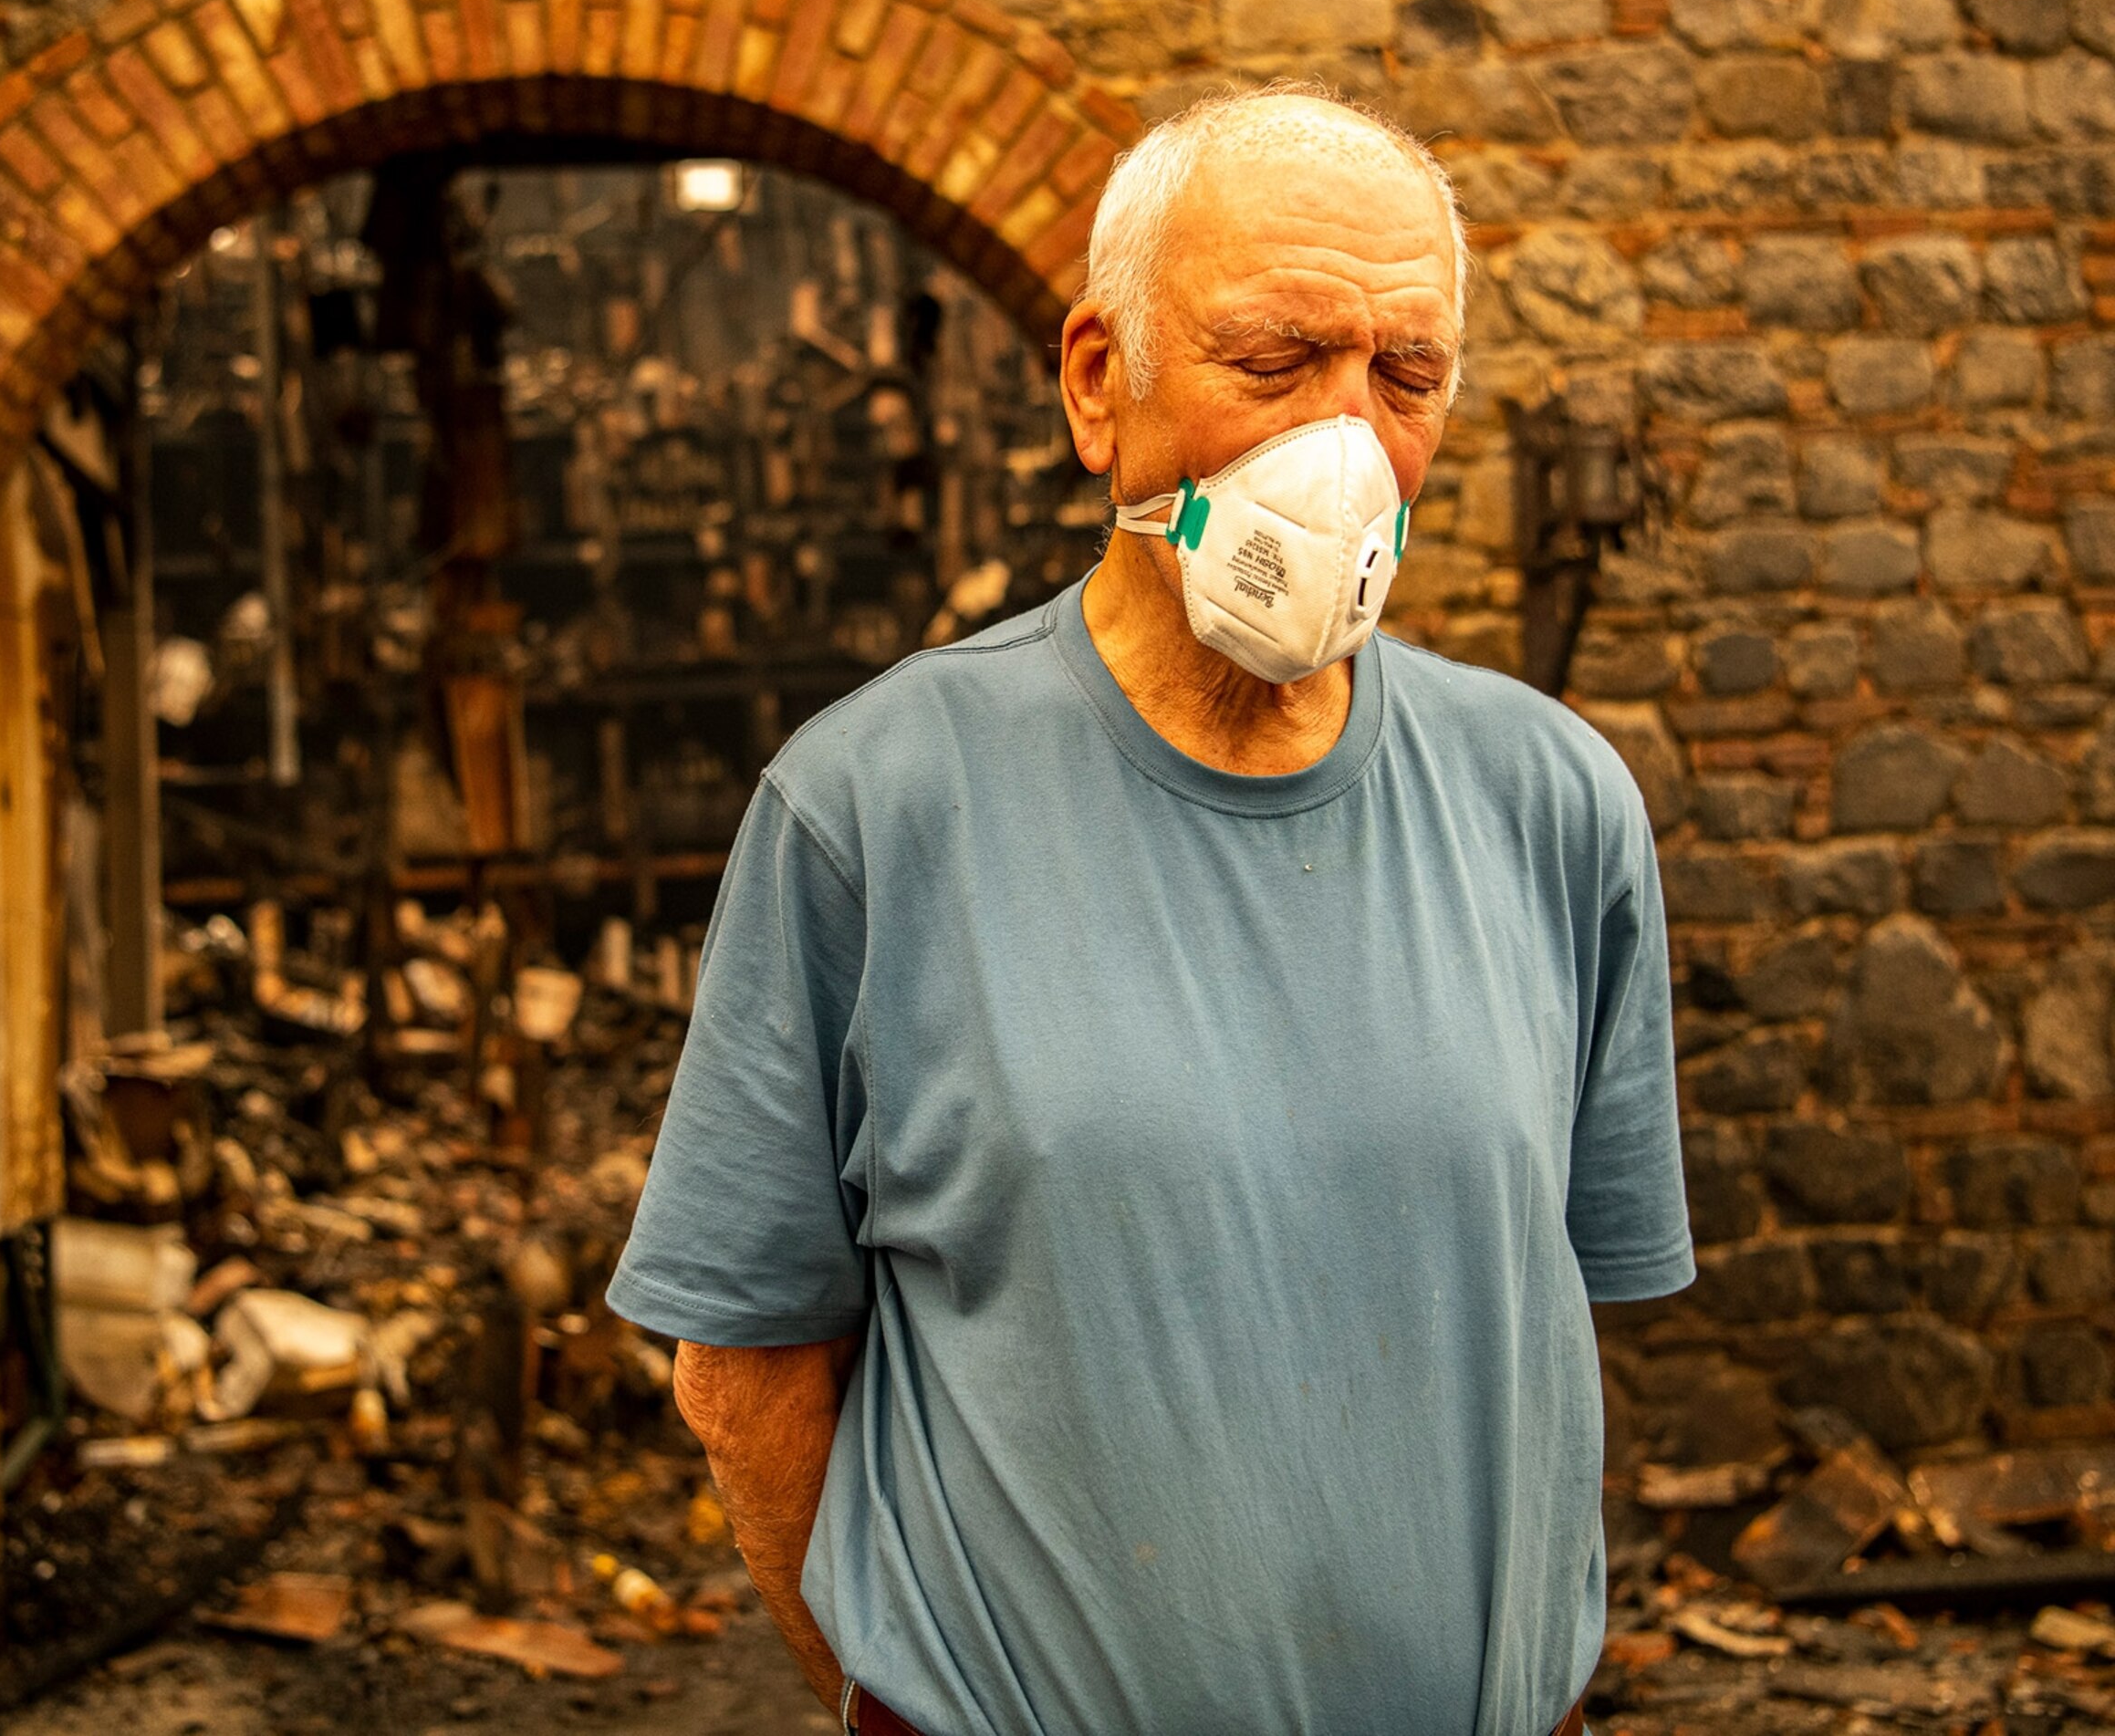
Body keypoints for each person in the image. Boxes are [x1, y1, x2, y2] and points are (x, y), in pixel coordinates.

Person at [603, 85, 1695, 1736]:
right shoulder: (873, 808)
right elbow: (744, 1365)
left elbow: (1540, 1323)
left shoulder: (1550, 803)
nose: (1348, 447)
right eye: (1275, 362)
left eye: (1406, 376)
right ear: (1099, 384)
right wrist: (898, 1699)